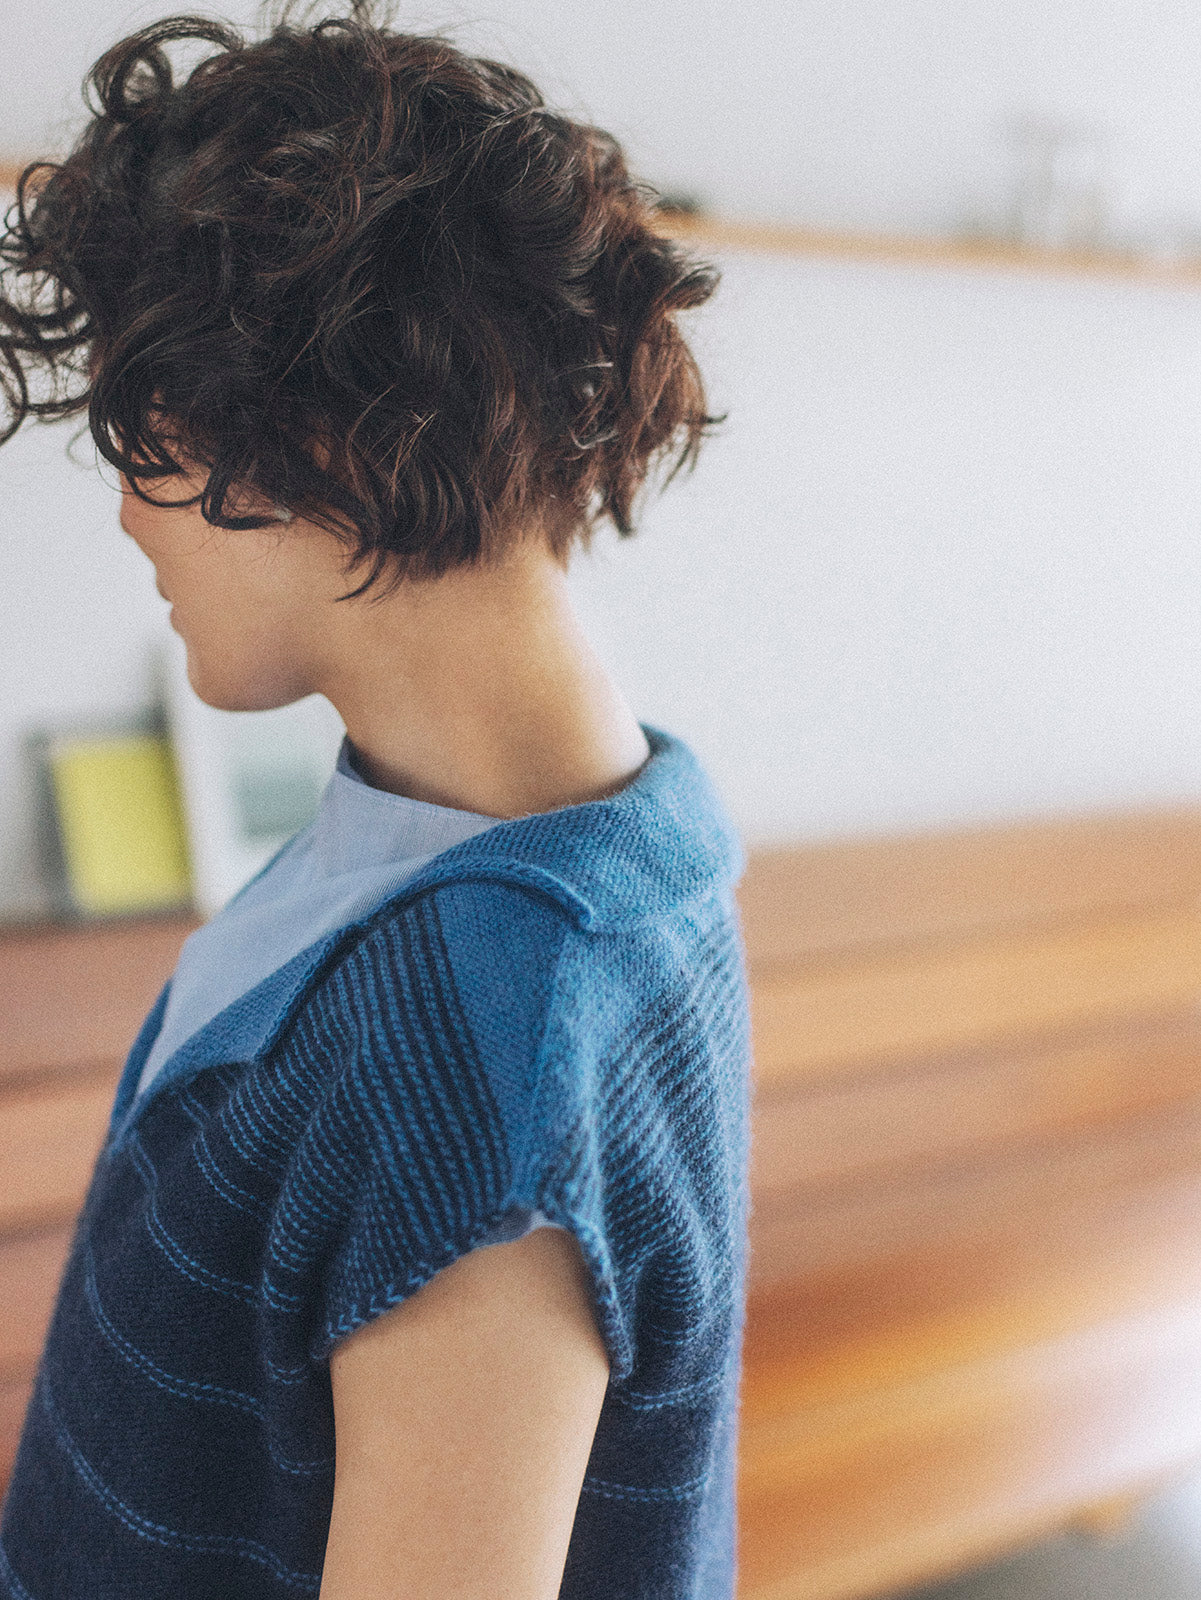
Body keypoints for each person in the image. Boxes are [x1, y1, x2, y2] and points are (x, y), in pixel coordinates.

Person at [0, 5, 753, 1597]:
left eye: (149, 435)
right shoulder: (522, 835)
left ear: (329, 433)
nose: (130, 513)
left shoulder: (492, 1051)